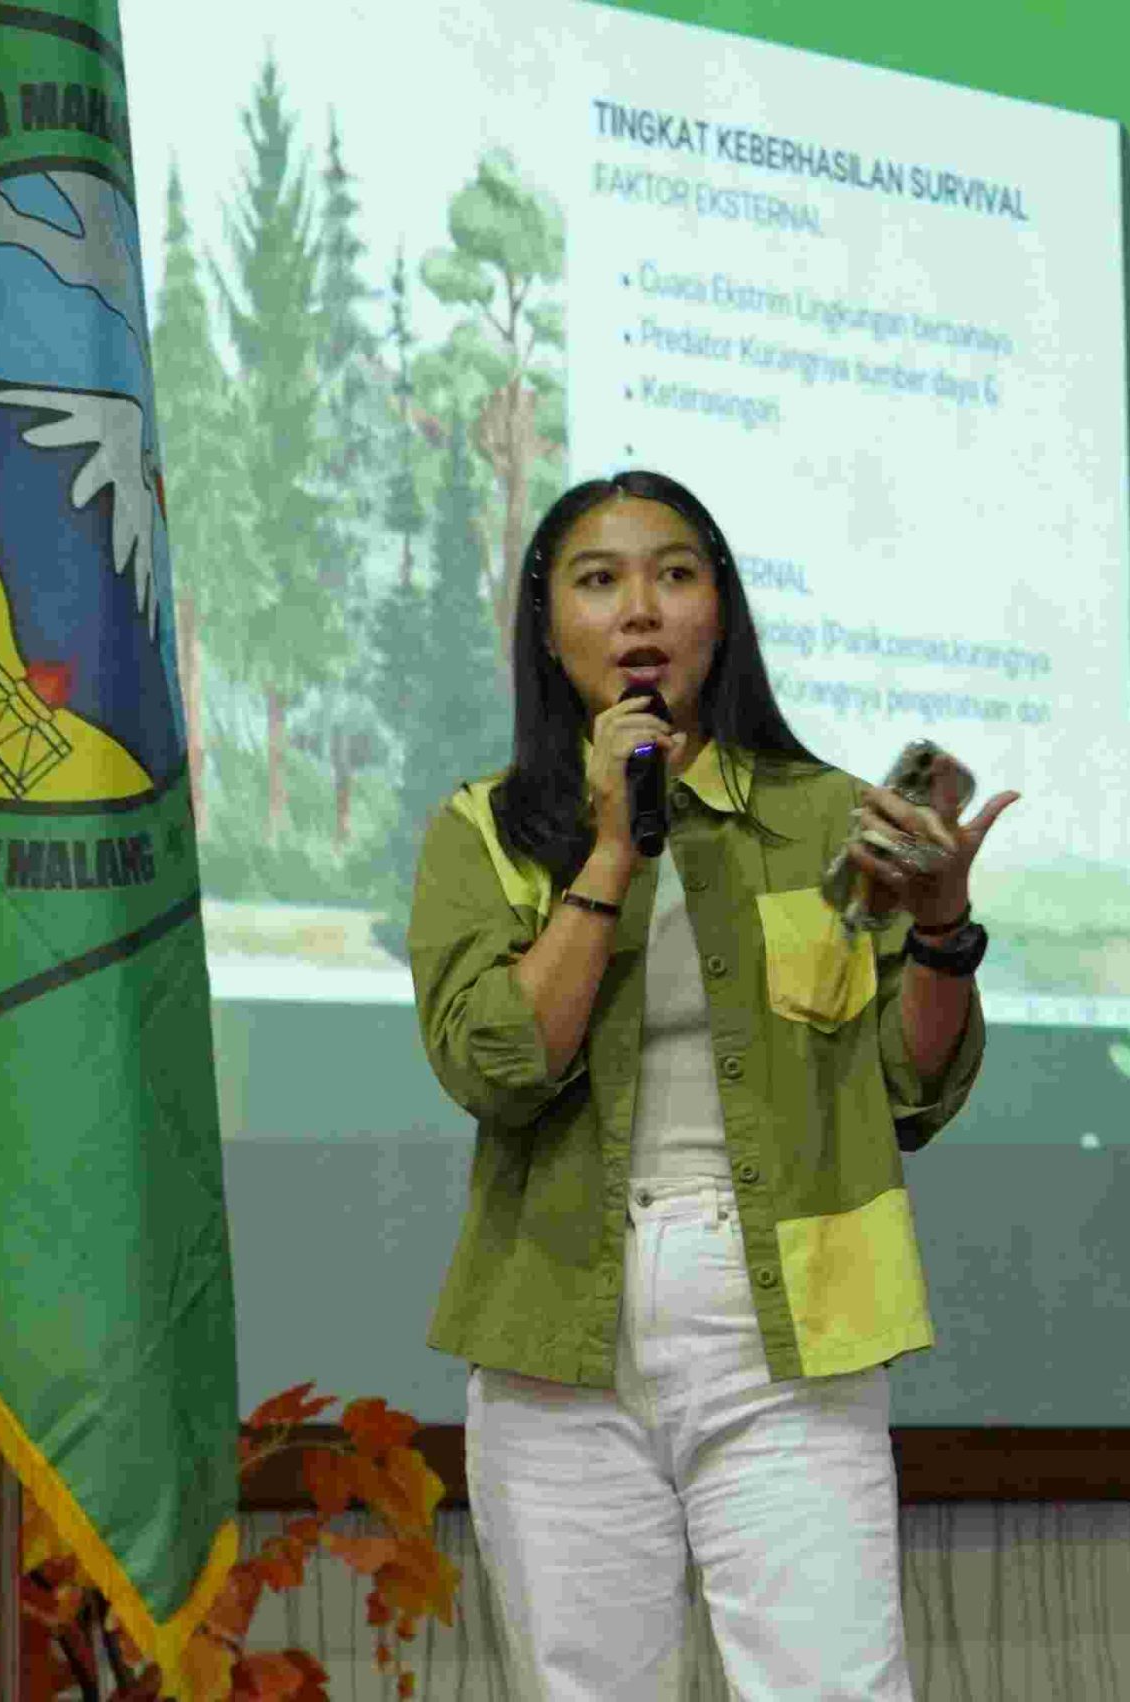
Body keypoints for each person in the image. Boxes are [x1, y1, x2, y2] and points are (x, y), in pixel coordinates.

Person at [406, 469, 1016, 1700]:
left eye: (674, 574)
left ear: (719, 614)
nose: (640, 609)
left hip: (786, 1327)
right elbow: (495, 1065)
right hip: (555, 1332)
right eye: (598, 579)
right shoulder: (483, 826)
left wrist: (943, 928)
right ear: (545, 626)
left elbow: (911, 1089)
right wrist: (612, 851)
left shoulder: (829, 816)